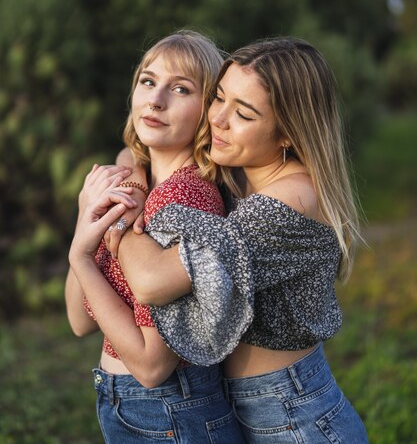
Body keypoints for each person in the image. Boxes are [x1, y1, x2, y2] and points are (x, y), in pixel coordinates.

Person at [106, 36, 369, 443]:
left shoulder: (289, 201)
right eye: (219, 98)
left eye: (243, 113)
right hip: (244, 409)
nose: (218, 120)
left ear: (288, 134)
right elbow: (133, 151)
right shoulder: (242, 169)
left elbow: (152, 282)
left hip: (293, 417)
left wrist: (119, 219)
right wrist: (136, 176)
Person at [65, 30, 245, 444]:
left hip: (170, 409)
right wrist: (87, 220)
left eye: (180, 89)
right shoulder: (142, 187)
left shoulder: (185, 198)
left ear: (208, 112)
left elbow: (151, 365)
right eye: (148, 81)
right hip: (129, 402)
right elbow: (79, 321)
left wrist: (80, 256)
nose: (156, 99)